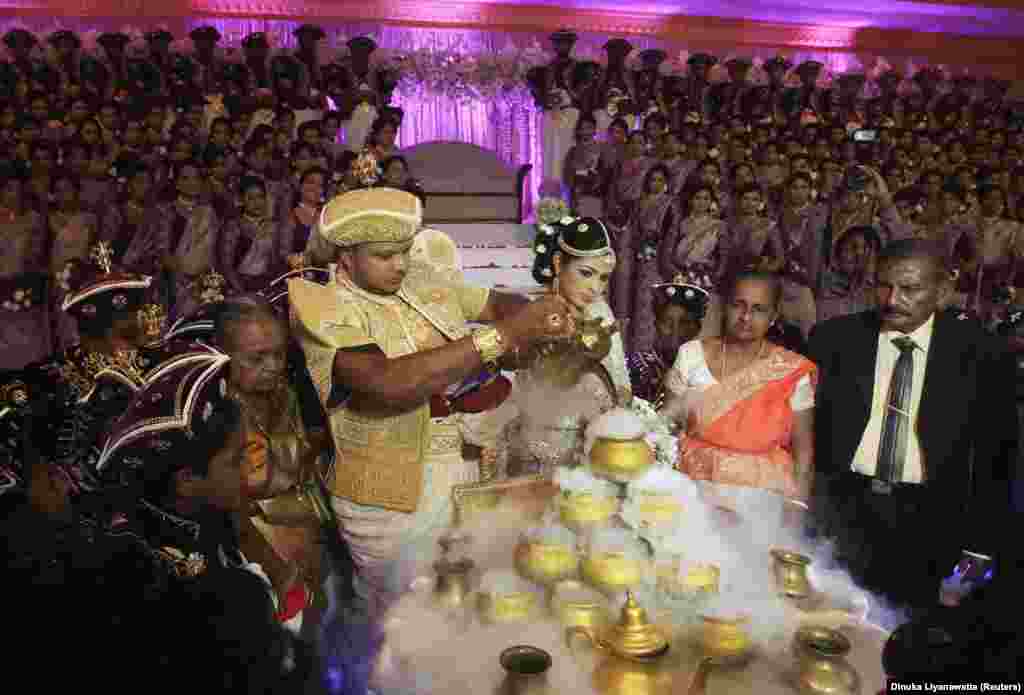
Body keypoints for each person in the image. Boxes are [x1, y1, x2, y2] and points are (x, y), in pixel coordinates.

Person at [288, 187, 574, 616]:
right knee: (399, 611)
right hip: (388, 492)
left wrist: (543, 311)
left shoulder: (419, 277)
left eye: (404, 250)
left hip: (465, 465)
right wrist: (508, 334)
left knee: (463, 598)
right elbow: (388, 382)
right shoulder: (318, 302)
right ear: (345, 256)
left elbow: (496, 304)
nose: (400, 263)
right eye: (384, 255)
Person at [808, 238, 1017, 616]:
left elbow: (995, 462)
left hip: (929, 524)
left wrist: (978, 553)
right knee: (822, 624)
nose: (892, 299)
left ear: (942, 291)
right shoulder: (834, 339)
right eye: (884, 285)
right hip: (842, 511)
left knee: (904, 641)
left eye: (910, 289)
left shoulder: (983, 355)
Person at [95, 347, 316, 692]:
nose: (251, 472)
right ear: (187, 480)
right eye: (236, 461)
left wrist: (276, 570)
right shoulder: (151, 571)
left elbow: (245, 541)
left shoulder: (206, 508)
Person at [662, 269, 816, 524]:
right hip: (692, 490)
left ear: (774, 316)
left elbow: (804, 452)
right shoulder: (691, 355)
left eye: (758, 309)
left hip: (761, 500)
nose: (746, 317)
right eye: (738, 305)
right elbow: (664, 429)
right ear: (724, 307)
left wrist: (796, 512)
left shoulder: (790, 370)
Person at [495, 216, 630, 476]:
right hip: (531, 449)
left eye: (603, 278)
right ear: (558, 263)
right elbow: (510, 393)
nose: (595, 288)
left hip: (589, 452)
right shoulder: (530, 312)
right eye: (586, 273)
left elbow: (620, 382)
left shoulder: (601, 312)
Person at [629, 268, 711, 406]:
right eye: (667, 321)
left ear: (697, 329)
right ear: (656, 325)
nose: (675, 330)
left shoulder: (705, 373)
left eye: (684, 323)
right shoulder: (633, 367)